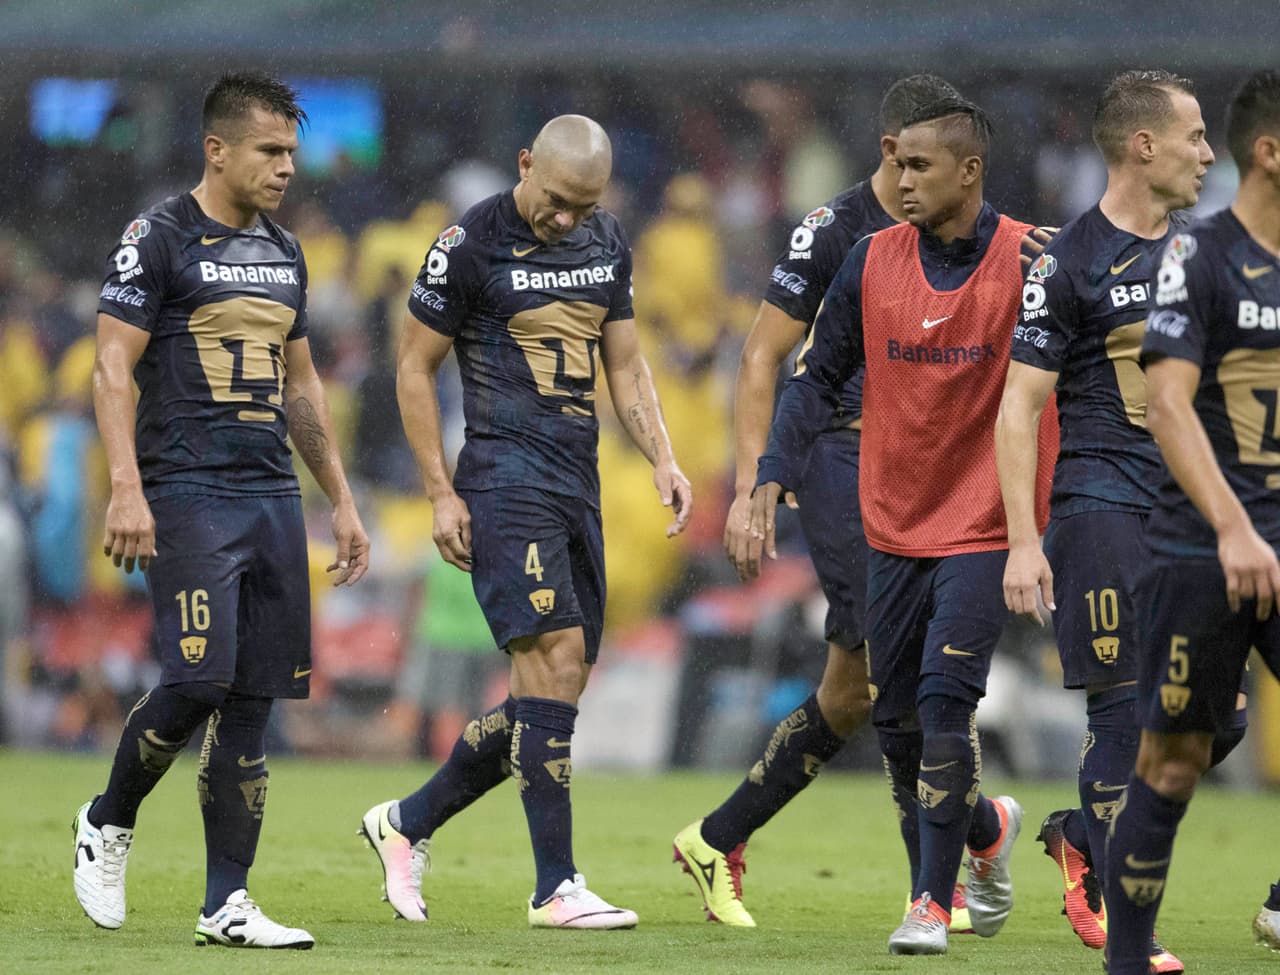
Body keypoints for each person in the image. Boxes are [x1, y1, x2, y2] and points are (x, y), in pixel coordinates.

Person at [361, 114, 692, 930]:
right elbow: (412, 366)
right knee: (554, 656)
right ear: (523, 167)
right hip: (504, 479)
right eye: (556, 201)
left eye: (585, 204)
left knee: (558, 685)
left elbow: (626, 361)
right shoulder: (468, 243)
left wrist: (663, 455)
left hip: (578, 480)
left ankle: (407, 821)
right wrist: (440, 491)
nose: (567, 219)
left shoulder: (605, 239)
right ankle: (556, 885)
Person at [751, 97, 1057, 955]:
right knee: (895, 721)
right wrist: (773, 471)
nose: (901, 180)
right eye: (896, 164)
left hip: (984, 523)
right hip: (892, 523)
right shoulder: (868, 261)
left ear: (969, 172)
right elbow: (813, 381)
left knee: (944, 701)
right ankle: (986, 835)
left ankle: (930, 901)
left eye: (920, 166)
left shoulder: (1035, 259)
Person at [72, 72, 369, 949]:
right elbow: (110, 368)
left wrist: (342, 501)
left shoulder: (286, 251)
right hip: (187, 488)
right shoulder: (156, 238)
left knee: (252, 703)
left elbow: (303, 385)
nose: (285, 168)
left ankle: (227, 902)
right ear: (218, 149)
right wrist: (126, 483)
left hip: (271, 494)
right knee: (199, 679)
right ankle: (107, 816)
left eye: (291, 153)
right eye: (270, 151)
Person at [672, 74, 975, 932]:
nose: (926, 179)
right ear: (890, 153)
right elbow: (763, 357)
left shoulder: (949, 227)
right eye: (915, 161)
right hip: (842, 461)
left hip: (921, 466)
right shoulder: (835, 231)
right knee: (897, 669)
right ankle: (947, 870)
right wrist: (751, 487)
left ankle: (715, 837)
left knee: (850, 689)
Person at [995, 70, 1214, 974]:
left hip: (1189, 521)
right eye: (1196, 136)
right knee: (1125, 713)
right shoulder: (1069, 262)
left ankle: (1082, 837)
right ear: (1143, 146)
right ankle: (1132, 933)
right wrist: (1020, 538)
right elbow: (1018, 409)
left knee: (1214, 720)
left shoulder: (1209, 255)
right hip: (1101, 509)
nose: (1210, 153)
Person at [1103, 69, 1280, 975]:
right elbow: (1168, 407)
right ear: (1271, 154)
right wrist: (1235, 528)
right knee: (1172, 764)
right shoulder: (1198, 256)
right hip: (1198, 551)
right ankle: (1126, 960)